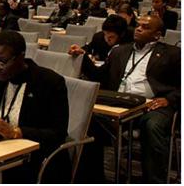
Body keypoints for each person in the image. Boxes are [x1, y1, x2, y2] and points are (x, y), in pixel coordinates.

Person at [77, 15, 180, 183]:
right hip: (119, 103)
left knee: (153, 126)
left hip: (152, 105)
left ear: (157, 35)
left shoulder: (173, 54)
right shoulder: (120, 51)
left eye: (145, 27)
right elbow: (100, 76)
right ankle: (94, 178)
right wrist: (83, 57)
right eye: (138, 25)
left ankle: (155, 181)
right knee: (87, 122)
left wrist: (169, 99)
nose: (138, 28)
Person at [0, 31, 70, 183]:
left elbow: (58, 134)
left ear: (20, 57)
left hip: (32, 157)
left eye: (3, 62)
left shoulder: (49, 83)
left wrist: (15, 132)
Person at [68, 15, 133, 62]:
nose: (107, 39)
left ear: (121, 35)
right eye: (105, 34)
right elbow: (89, 48)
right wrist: (80, 50)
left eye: (111, 37)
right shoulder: (98, 37)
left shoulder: (129, 42)